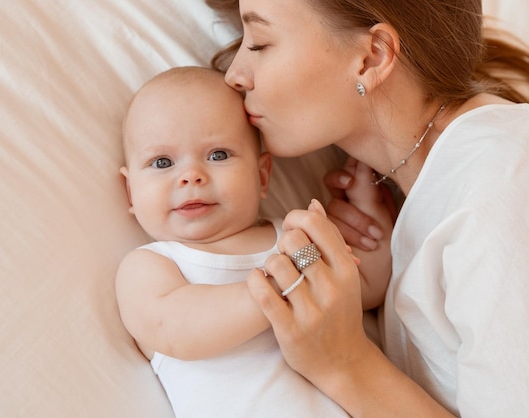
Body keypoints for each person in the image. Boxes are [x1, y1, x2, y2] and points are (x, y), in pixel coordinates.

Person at [205, 0, 529, 416]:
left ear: (371, 56)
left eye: (261, 43)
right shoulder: (446, 185)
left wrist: (345, 363)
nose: (234, 75)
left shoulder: (500, 185)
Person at [116, 66, 391, 417]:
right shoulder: (152, 265)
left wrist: (373, 219)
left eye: (217, 155)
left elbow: (366, 286)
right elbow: (174, 329)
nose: (190, 176)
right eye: (162, 162)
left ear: (261, 175)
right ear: (130, 190)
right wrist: (279, 285)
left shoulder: (292, 238)